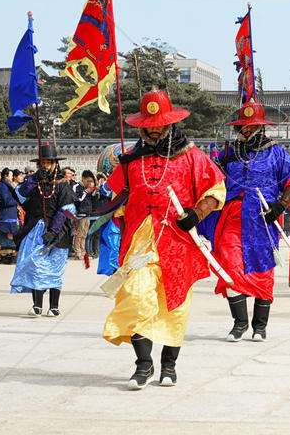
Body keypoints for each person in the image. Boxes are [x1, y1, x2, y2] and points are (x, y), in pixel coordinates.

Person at [102, 91, 226, 389]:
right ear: (141, 126)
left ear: (170, 124)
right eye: (149, 125)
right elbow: (114, 196)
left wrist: (197, 213)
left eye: (159, 124)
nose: (154, 129)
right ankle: (143, 365)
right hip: (141, 240)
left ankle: (169, 366)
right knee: (135, 295)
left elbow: (216, 189)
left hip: (178, 240)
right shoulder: (130, 160)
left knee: (175, 305)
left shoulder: (192, 156)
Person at [201, 100, 290, 342]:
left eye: (252, 126)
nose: (247, 130)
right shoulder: (228, 152)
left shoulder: (276, 152)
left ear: (260, 127)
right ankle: (239, 323)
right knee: (228, 264)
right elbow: (211, 178)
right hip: (232, 217)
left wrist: (281, 205)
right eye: (243, 126)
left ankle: (260, 326)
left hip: (262, 218)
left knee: (262, 271)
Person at [10, 143, 77, 318]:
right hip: (35, 229)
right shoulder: (34, 182)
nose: (45, 165)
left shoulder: (63, 185)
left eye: (48, 162)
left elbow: (66, 209)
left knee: (55, 268)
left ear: (55, 163)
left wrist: (54, 231)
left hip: (58, 231)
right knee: (36, 266)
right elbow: (21, 194)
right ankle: (37, 305)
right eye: (42, 162)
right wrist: (33, 179)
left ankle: (54, 306)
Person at [0, 168, 20, 252]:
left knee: (10, 237)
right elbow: (6, 200)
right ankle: (5, 255)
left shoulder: (9, 185)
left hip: (11, 214)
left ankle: (9, 254)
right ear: (6, 176)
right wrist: (17, 200)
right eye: (11, 175)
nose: (12, 177)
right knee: (5, 239)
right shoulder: (2, 186)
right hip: (6, 214)